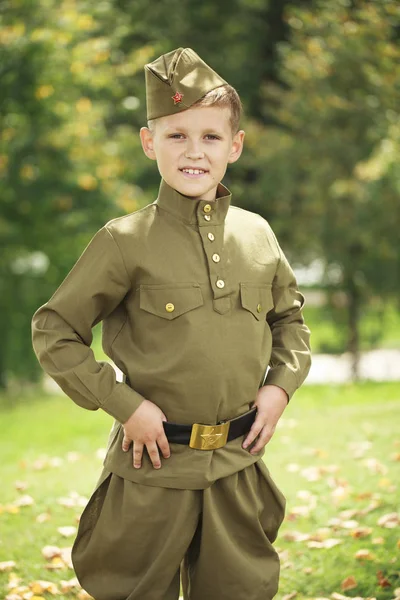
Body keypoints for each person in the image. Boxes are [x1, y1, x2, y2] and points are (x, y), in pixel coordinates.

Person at [31, 47, 312, 600]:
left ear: (234, 145)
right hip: (151, 471)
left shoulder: (259, 235)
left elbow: (291, 322)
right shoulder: (123, 241)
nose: (194, 151)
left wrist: (279, 389)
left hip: (237, 467)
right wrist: (125, 405)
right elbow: (53, 331)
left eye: (210, 137)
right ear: (148, 142)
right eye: (176, 135)